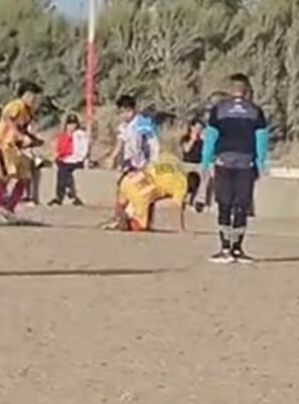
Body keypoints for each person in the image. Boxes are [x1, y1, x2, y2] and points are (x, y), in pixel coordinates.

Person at [201, 73, 269, 264]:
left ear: (231, 89)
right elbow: (261, 139)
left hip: (224, 161)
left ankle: (224, 249)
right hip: (246, 163)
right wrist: (260, 163)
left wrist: (206, 162)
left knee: (224, 204)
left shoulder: (219, 109)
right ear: (246, 90)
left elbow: (211, 137)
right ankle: (238, 249)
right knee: (241, 204)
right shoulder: (256, 111)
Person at [0, 82, 44, 223]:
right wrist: (20, 135)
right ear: (23, 95)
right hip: (2, 144)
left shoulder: (29, 112)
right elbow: (7, 119)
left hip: (15, 148)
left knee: (25, 177)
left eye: (35, 97)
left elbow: (22, 129)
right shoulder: (16, 105)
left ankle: (9, 208)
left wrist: (33, 139)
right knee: (5, 176)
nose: (33, 100)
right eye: (30, 96)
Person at [108, 159, 189, 232]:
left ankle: (118, 218)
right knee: (140, 227)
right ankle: (127, 222)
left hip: (129, 178)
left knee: (122, 202)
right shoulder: (183, 185)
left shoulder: (173, 166)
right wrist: (182, 228)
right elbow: (179, 207)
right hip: (142, 192)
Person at [108, 95, 160, 175]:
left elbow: (150, 142)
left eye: (128, 111)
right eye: (122, 112)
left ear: (133, 109)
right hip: (130, 160)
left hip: (144, 161)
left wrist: (149, 161)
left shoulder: (141, 122)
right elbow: (119, 143)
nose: (125, 114)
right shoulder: (123, 126)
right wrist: (111, 157)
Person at [49, 114, 89, 206]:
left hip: (76, 160)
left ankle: (64, 195)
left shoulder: (80, 134)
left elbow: (82, 149)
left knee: (63, 170)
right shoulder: (63, 136)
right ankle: (65, 193)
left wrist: (80, 158)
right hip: (66, 159)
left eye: (74, 124)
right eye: (70, 124)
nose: (72, 126)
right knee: (61, 170)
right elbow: (61, 150)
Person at [180, 119, 209, 211]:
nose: (198, 130)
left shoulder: (203, 141)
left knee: (205, 174)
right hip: (187, 164)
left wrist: (205, 141)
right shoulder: (185, 138)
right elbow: (186, 150)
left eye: (200, 128)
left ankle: (200, 201)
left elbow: (208, 154)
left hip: (199, 164)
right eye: (196, 128)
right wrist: (192, 139)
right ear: (191, 127)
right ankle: (184, 197)